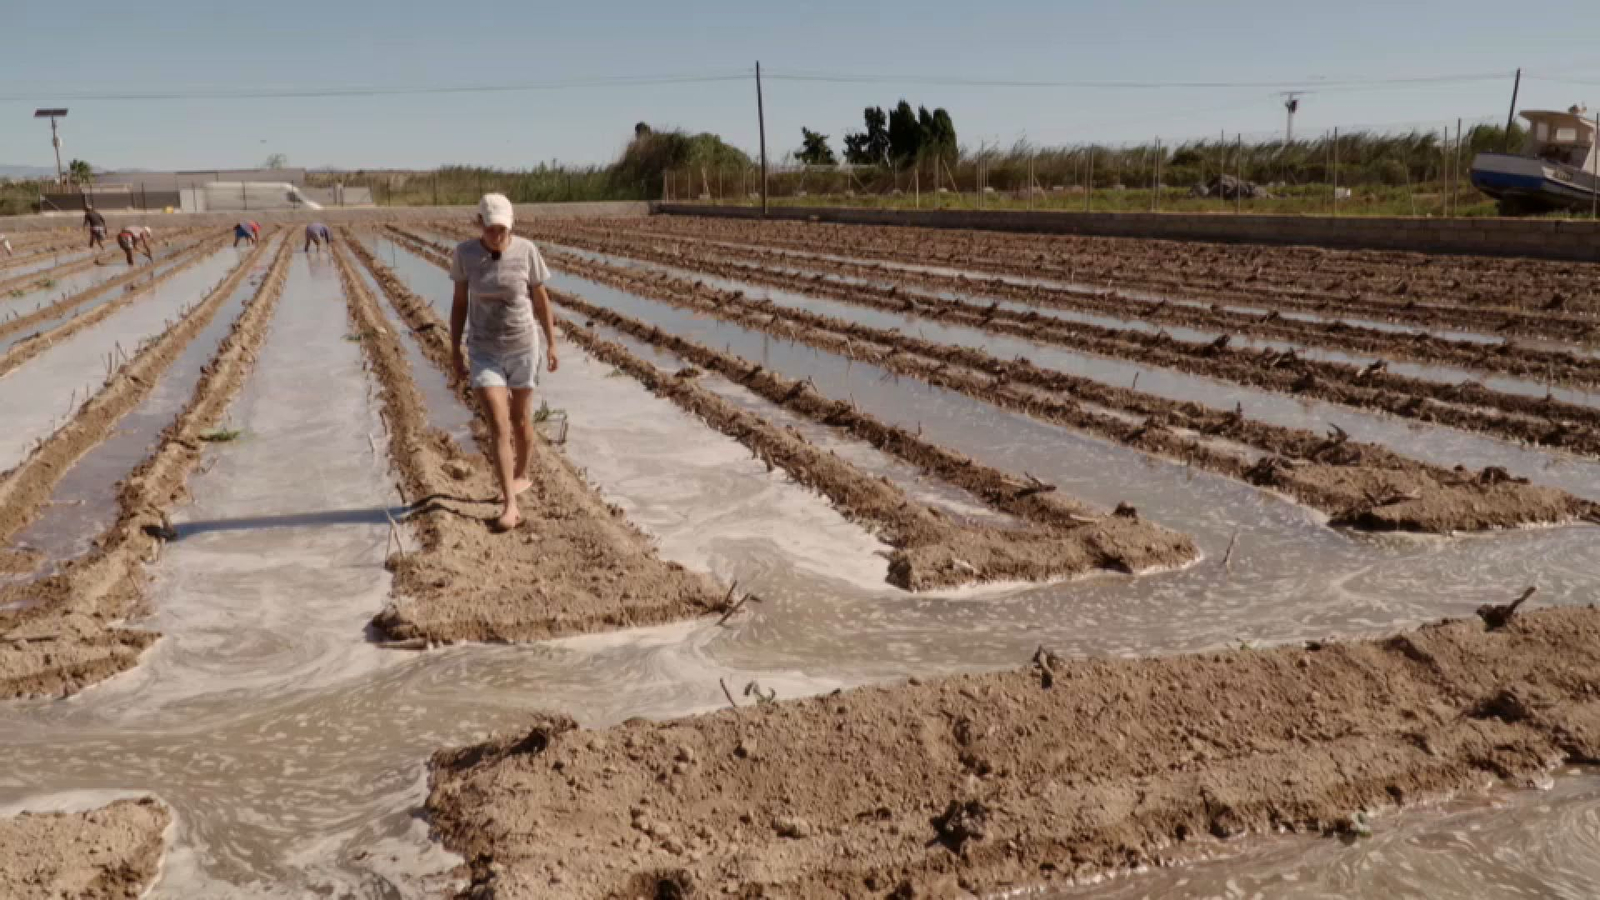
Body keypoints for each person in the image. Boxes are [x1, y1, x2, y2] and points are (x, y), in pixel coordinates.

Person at [449, 193, 559, 532]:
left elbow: (541, 301)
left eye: (502, 229)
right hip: (484, 349)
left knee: (522, 421)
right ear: (479, 223)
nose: (497, 235)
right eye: (491, 228)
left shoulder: (527, 251)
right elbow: (459, 303)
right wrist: (454, 348)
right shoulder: (465, 254)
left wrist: (552, 343)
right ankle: (510, 503)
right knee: (498, 424)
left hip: (523, 345)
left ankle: (522, 474)